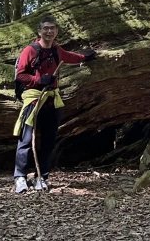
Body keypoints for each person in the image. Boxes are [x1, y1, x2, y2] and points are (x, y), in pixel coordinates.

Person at [12, 15, 96, 193]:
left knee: (49, 140)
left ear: (56, 31)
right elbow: (20, 74)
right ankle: (20, 177)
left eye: (52, 28)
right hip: (34, 99)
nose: (49, 31)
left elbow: (70, 57)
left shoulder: (56, 50)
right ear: (39, 31)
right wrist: (39, 80)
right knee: (26, 139)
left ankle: (41, 177)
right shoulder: (30, 50)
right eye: (46, 28)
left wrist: (85, 57)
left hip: (52, 100)